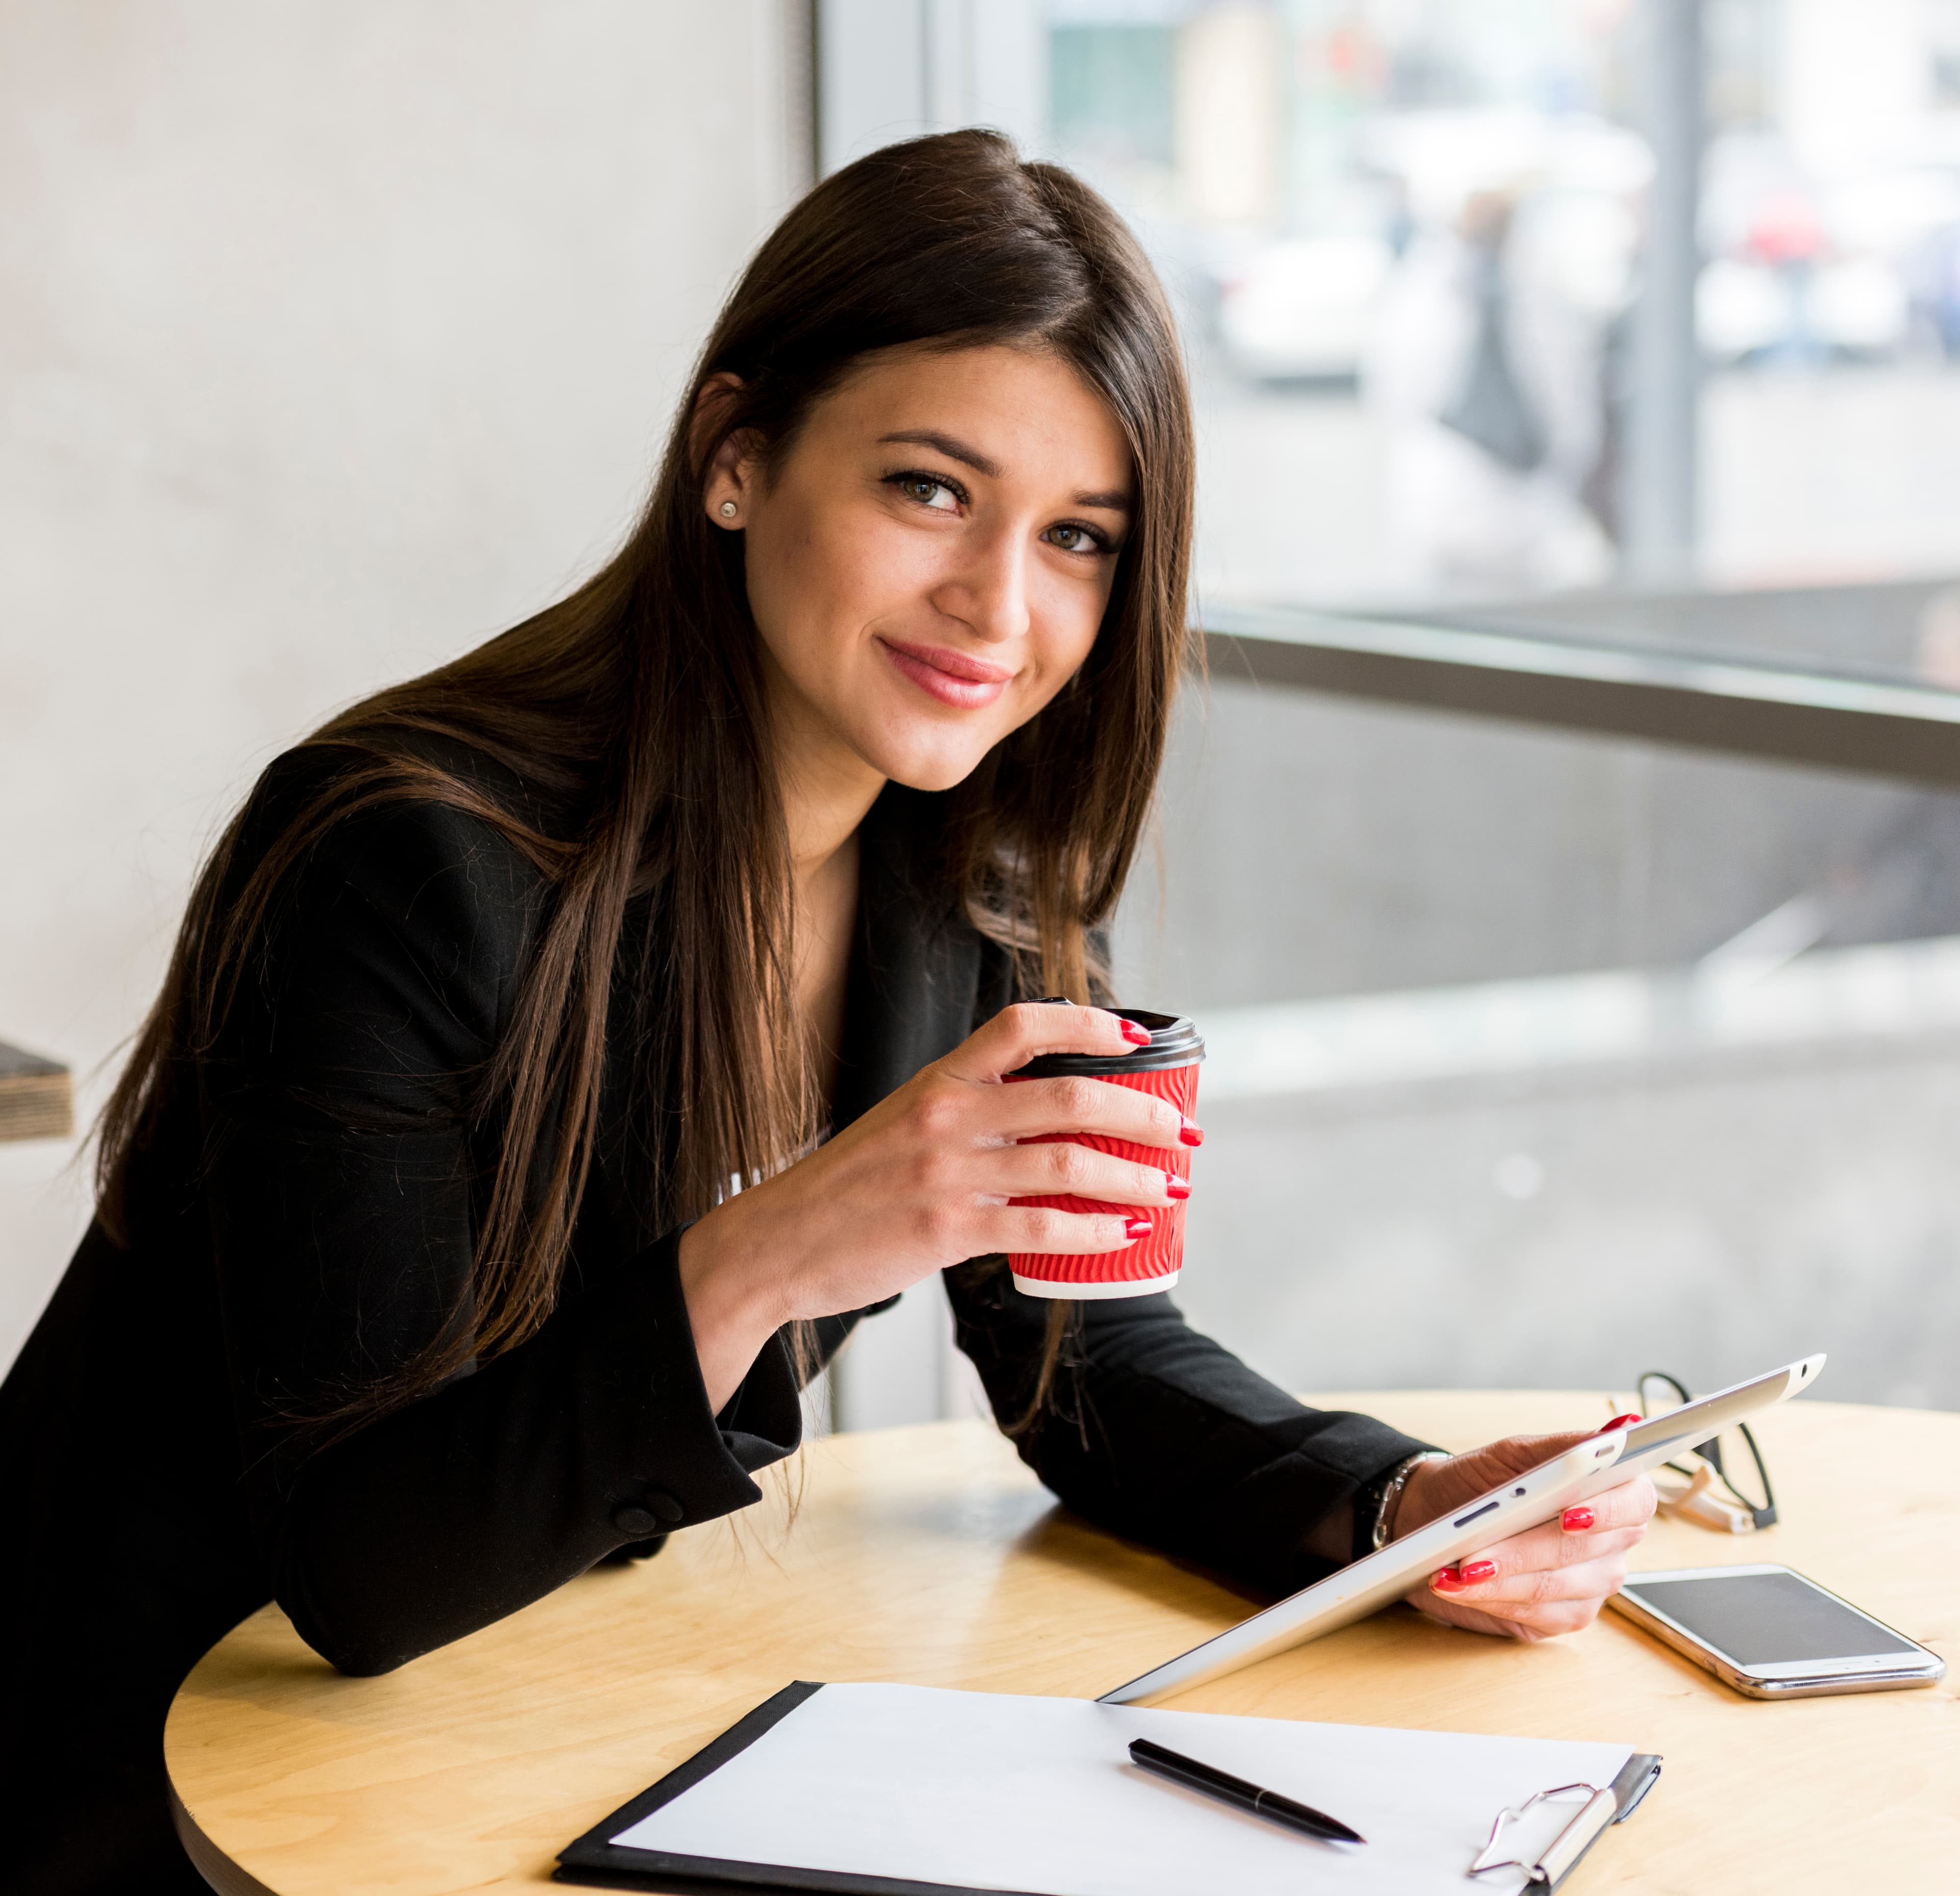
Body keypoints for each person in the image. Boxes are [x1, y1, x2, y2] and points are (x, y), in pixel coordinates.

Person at [0, 131, 1653, 1892]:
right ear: (736, 456)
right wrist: (791, 1242)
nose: (999, 609)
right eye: (931, 490)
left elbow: (1081, 1355)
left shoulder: (969, 884)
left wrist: (1401, 1509)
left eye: (1078, 537)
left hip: (500, 1732)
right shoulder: (398, 855)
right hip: (142, 1779)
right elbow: (355, 1566)